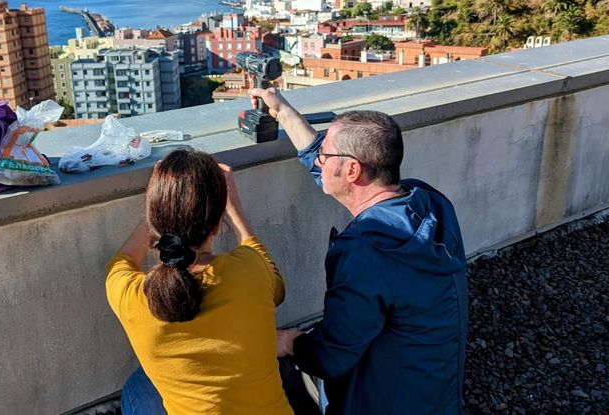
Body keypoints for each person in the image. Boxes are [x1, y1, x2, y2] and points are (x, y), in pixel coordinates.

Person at [249, 87, 468, 415]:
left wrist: (286, 341)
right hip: (438, 396)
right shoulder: (430, 202)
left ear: (352, 170)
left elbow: (331, 356)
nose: (319, 159)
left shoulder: (366, 252)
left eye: (324, 153)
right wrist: (282, 112)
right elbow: (329, 173)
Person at [105, 149, 294, 415]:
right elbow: (276, 285)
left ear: (154, 220)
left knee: (139, 385)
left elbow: (121, 262)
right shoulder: (250, 270)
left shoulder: (131, 295)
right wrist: (235, 208)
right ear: (217, 225)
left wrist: (160, 199)